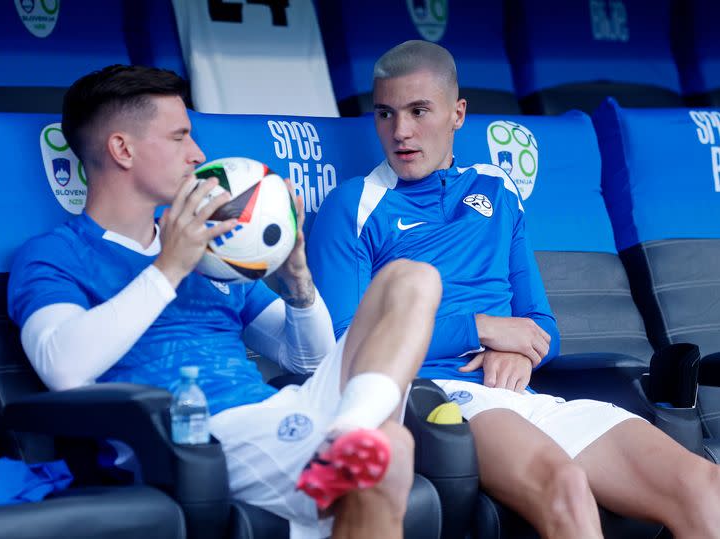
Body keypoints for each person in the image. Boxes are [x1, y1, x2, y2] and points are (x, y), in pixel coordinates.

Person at [7, 64, 442, 539]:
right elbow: (62, 367)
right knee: (392, 449)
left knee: (412, 278)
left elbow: (310, 361)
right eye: (179, 137)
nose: (197, 154)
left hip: (278, 408)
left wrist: (297, 282)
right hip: (197, 438)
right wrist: (168, 266)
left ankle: (350, 433)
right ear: (122, 149)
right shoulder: (56, 253)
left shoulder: (218, 250)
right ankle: (353, 443)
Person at [307, 40, 720, 539]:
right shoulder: (352, 204)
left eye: (419, 111)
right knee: (566, 486)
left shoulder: (497, 189)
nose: (401, 132)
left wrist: (523, 355)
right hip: (438, 395)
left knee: (702, 484)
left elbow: (541, 326)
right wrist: (478, 329)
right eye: (385, 114)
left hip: (523, 392)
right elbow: (340, 347)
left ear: (458, 113)